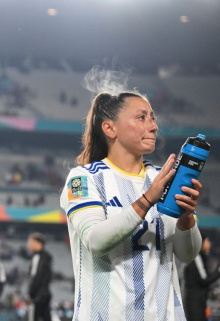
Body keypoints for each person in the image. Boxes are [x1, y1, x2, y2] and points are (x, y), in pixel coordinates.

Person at [60, 91, 202, 320]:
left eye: (153, 118)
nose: (153, 126)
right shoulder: (84, 179)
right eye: (141, 118)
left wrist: (187, 218)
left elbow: (188, 254)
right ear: (110, 129)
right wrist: (147, 200)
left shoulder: (166, 179)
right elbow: (95, 240)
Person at [183, 233, 220, 321]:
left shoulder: (199, 257)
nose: (209, 244)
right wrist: (218, 270)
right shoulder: (196, 258)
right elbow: (203, 280)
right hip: (194, 306)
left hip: (198, 305)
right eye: (207, 241)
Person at [26, 233, 52, 321]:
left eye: (31, 243)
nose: (29, 245)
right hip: (45, 294)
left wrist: (30, 294)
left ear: (39, 244)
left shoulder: (37, 257)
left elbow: (35, 276)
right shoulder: (47, 257)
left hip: (37, 296)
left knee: (33, 318)